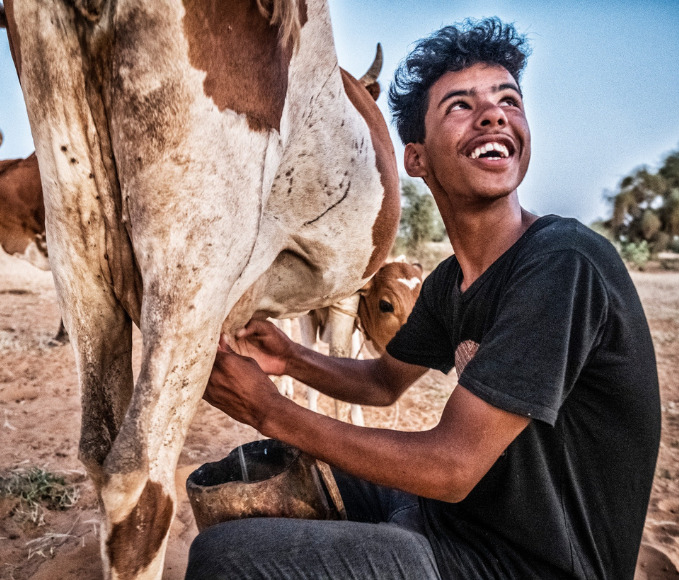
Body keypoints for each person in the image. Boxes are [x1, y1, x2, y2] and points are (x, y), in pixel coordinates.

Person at [186, 17, 661, 580]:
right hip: (455, 518)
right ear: (416, 160)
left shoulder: (563, 263)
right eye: (461, 106)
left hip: (519, 563)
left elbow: (452, 466)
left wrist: (270, 408)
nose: (493, 114)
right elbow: (382, 384)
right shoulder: (450, 281)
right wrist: (290, 358)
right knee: (254, 474)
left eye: (508, 99)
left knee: (223, 558)